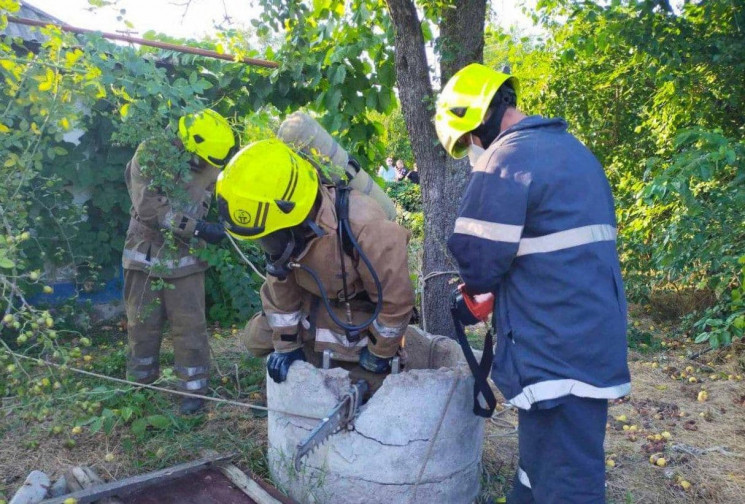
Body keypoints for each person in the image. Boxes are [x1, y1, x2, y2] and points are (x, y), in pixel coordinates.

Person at [435, 63, 631, 503]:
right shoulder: (571, 150)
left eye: (467, 141)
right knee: (536, 472)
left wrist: (475, 293)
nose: (471, 151)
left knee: (566, 487)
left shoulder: (508, 158)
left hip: (556, 353)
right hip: (583, 340)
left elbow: (477, 259)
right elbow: (548, 251)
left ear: (480, 120)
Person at [216, 139, 414, 384]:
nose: (266, 246)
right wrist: (287, 346)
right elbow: (281, 290)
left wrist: (379, 353)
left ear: (294, 218)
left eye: (267, 237)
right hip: (313, 300)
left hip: (358, 308)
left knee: (365, 374)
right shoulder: (282, 234)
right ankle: (311, 345)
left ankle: (349, 353)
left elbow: (395, 303)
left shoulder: (365, 227)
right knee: (255, 339)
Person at [123, 109, 235, 415]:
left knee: (191, 327)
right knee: (142, 325)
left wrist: (222, 222)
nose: (205, 167)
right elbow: (148, 208)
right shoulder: (150, 153)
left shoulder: (210, 161)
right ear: (186, 144)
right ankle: (140, 388)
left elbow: (211, 193)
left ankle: (194, 393)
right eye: (201, 159)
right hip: (145, 253)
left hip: (186, 259)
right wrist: (197, 228)